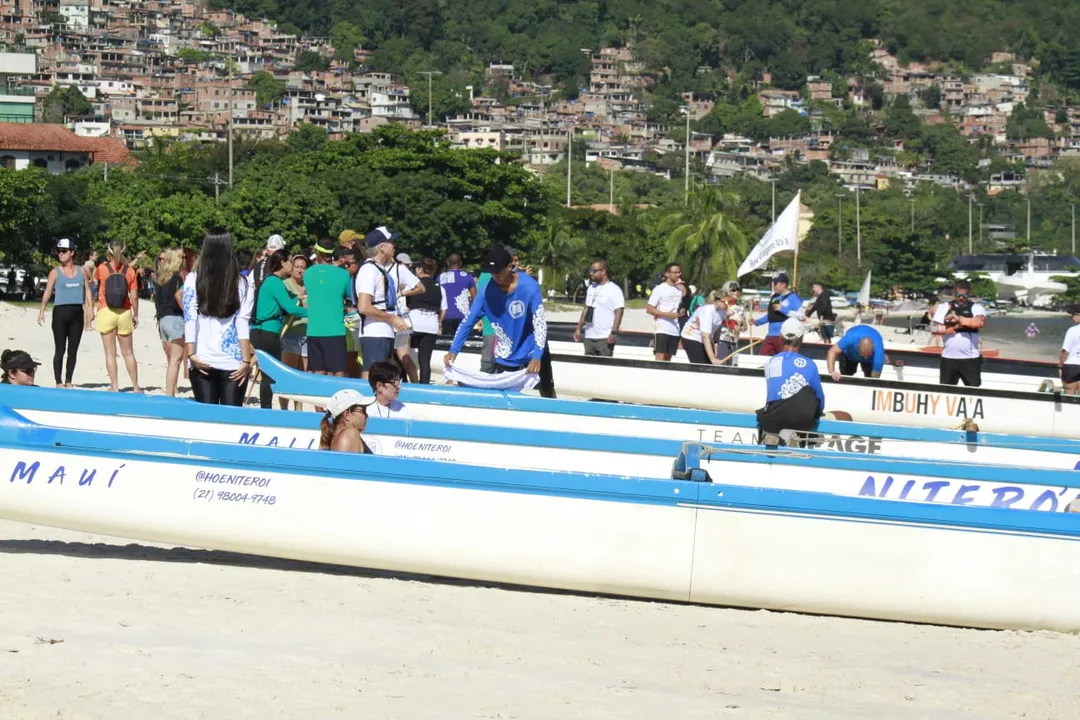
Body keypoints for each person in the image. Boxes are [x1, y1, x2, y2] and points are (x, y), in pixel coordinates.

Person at [445, 244, 556, 398]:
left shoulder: (530, 287)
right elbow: (467, 322)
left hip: (533, 348)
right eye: (491, 273)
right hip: (506, 353)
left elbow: (540, 324)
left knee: (547, 389)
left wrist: (537, 356)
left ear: (510, 266)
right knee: (505, 395)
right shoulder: (486, 292)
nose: (495, 276)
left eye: (498, 272)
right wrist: (453, 350)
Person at [183, 231, 254, 406]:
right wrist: (246, 360)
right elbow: (242, 322)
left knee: (207, 421)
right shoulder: (242, 283)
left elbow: (190, 318)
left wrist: (191, 353)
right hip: (234, 362)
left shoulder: (193, 279)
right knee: (232, 420)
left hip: (201, 358)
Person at [250, 249, 308, 409]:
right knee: (269, 375)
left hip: (265, 331)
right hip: (266, 332)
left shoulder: (271, 281)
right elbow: (290, 308)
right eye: (290, 261)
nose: (292, 265)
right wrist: (313, 313)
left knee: (268, 374)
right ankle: (266, 409)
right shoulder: (274, 282)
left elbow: (284, 302)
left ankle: (266, 407)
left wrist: (298, 297)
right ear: (282, 263)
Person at [355, 227, 410, 378]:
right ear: (382, 247)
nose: (394, 246)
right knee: (373, 376)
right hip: (375, 333)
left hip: (383, 333)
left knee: (381, 376)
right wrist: (392, 318)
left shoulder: (378, 269)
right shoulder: (369, 270)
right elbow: (364, 306)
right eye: (391, 242)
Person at [756, 319, 825, 439]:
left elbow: (772, 394)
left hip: (774, 420)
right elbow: (820, 398)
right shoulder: (809, 364)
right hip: (803, 421)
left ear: (780, 338)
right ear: (801, 338)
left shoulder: (770, 363)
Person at [37, 238, 92, 387]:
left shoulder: (82, 271)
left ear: (72, 252)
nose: (60, 254)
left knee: (73, 350)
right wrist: (42, 310)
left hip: (77, 313)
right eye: (59, 251)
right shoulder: (55, 272)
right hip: (60, 313)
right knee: (60, 349)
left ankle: (68, 380)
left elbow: (87, 291)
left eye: (64, 251)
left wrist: (90, 310)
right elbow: (48, 292)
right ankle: (58, 381)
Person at [94, 241, 140, 393]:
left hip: (106, 310)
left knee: (110, 353)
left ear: (109, 253)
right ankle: (135, 386)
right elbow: (133, 295)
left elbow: (95, 283)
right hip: (124, 311)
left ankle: (114, 386)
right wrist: (136, 314)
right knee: (128, 353)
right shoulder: (130, 271)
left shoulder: (101, 268)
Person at [304, 240, 353, 378]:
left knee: (318, 373)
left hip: (314, 330)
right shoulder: (343, 274)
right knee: (338, 372)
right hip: (335, 331)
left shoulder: (307, 273)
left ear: (317, 253)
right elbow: (350, 297)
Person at [931, 279, 987, 387]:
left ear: (968, 294)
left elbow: (980, 322)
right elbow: (933, 328)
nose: (961, 298)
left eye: (964, 296)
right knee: (946, 392)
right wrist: (946, 329)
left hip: (970, 359)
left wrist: (959, 320)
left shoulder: (976, 308)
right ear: (953, 294)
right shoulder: (944, 307)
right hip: (948, 358)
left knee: (973, 393)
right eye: (958, 295)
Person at [574, 259, 625, 357]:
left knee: (604, 367)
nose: (591, 274)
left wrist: (613, 332)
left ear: (603, 271)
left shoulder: (614, 290)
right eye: (590, 271)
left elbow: (619, 312)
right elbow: (586, 309)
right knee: (588, 367)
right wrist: (578, 328)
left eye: (593, 271)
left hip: (604, 337)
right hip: (589, 336)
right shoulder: (591, 288)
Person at [407, 257, 446, 384]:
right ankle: (424, 386)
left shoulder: (413, 285)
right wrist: (439, 321)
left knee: (403, 356)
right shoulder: (440, 287)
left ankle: (404, 381)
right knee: (425, 361)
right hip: (431, 325)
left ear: (419, 269)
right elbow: (443, 309)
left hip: (414, 323)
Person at [154, 247, 186, 397]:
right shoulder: (177, 278)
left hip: (163, 320)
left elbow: (158, 301)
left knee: (170, 359)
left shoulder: (161, 278)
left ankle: (170, 390)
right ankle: (170, 393)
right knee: (175, 360)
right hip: (175, 318)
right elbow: (178, 299)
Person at [391, 250, 423, 382]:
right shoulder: (396, 271)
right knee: (395, 358)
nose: (409, 268)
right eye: (407, 265)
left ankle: (416, 384)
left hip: (401, 319)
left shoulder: (401, 273)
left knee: (403, 357)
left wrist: (401, 293)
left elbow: (419, 288)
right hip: (394, 319)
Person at [754, 273, 802, 356]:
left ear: (784, 284)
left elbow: (801, 315)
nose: (773, 286)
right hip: (771, 335)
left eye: (775, 284)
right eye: (773, 284)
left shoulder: (793, 298)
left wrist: (783, 309)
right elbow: (771, 315)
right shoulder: (775, 297)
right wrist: (757, 322)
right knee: (763, 357)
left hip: (785, 337)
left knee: (785, 359)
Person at [646, 263, 685, 361]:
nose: (678, 275)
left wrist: (681, 312)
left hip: (675, 329)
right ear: (667, 274)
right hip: (662, 328)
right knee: (660, 358)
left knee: (668, 359)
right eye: (675, 272)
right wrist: (667, 315)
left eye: (679, 272)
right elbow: (649, 309)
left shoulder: (678, 291)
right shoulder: (659, 289)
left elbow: (674, 307)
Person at [319, 388, 375, 453]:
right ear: (347, 415)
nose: (366, 415)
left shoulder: (337, 437)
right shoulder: (350, 434)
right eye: (363, 411)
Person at [680, 291, 728, 365]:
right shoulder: (708, 310)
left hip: (704, 338)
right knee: (701, 365)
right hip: (691, 337)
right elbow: (705, 336)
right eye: (724, 301)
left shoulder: (723, 311)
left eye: (729, 301)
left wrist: (716, 343)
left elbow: (718, 326)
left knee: (709, 365)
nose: (727, 303)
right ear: (717, 301)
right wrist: (713, 359)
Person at [438, 253, 476, 339]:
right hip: (464, 316)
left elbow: (437, 297)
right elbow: (475, 298)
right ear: (460, 263)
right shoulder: (467, 276)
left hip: (446, 316)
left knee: (447, 344)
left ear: (448, 263)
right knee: (463, 345)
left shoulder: (440, 277)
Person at [714, 281, 745, 366]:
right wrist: (732, 325)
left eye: (738, 289)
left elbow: (744, 325)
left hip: (734, 341)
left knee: (733, 366)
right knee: (722, 365)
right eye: (733, 290)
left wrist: (741, 328)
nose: (736, 292)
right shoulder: (723, 305)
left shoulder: (741, 307)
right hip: (723, 339)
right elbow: (717, 320)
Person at [1059, 306, 1080, 396]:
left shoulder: (1072, 330)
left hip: (1072, 366)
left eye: (1073, 315)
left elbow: (1065, 351)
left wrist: (1060, 366)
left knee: (1068, 397)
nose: (1072, 317)